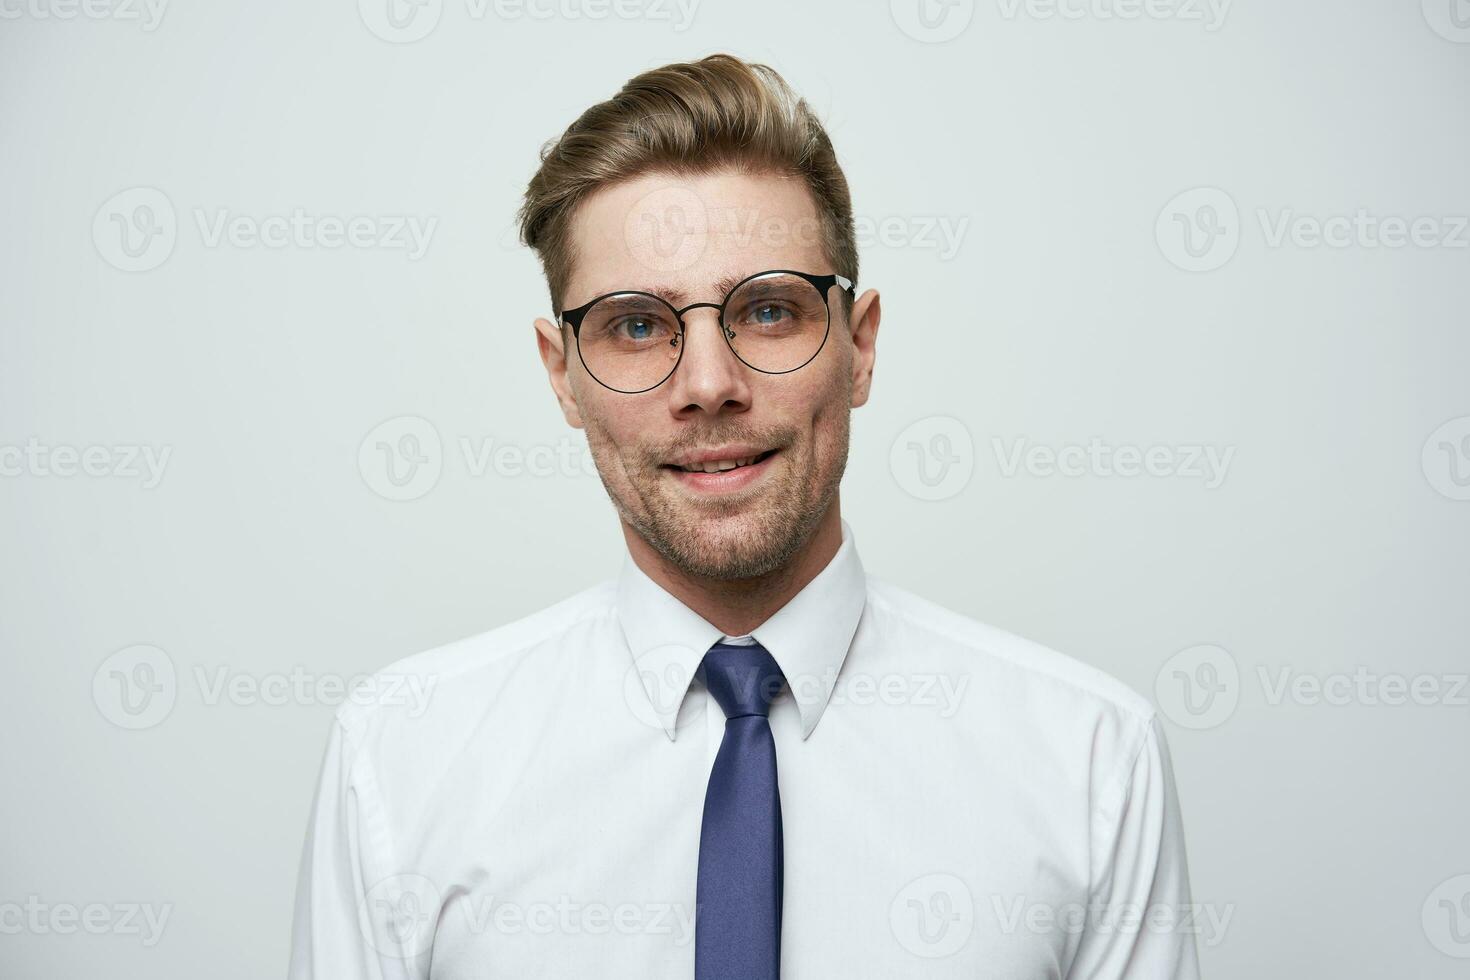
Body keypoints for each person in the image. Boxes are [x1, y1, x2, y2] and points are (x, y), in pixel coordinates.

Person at [288, 53, 1202, 980]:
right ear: (561, 374)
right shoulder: (402, 759)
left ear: (861, 346)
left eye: (768, 311)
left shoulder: (1089, 762)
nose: (709, 386)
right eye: (636, 325)